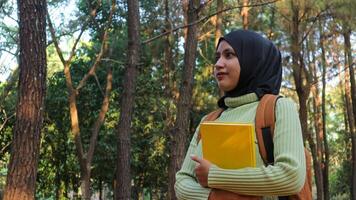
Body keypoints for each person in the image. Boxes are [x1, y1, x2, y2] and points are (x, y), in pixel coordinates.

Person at [174, 29, 306, 200]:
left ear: (253, 60)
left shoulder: (278, 108)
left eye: (229, 55)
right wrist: (214, 197)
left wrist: (214, 175)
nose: (218, 64)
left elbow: (291, 176)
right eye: (218, 57)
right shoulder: (209, 120)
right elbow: (182, 181)